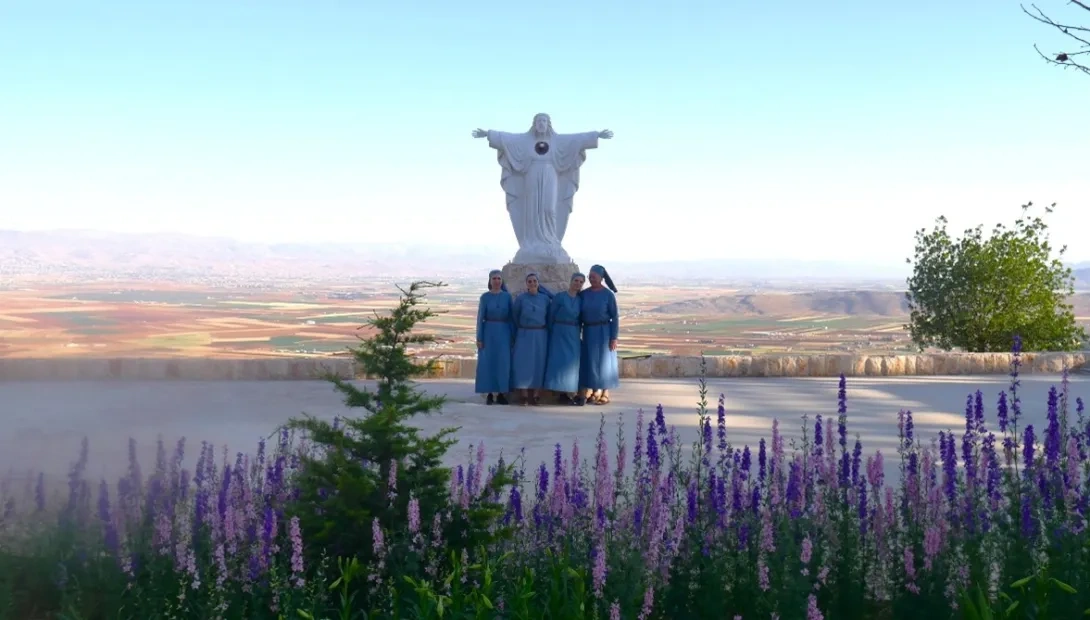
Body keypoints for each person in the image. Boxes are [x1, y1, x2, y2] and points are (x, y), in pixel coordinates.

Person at [579, 264, 619, 405]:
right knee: (591, 362)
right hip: (589, 331)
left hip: (604, 331)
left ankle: (605, 392)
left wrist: (614, 337)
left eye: (594, 277)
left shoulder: (608, 295)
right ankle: (595, 391)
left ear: (601, 278)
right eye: (590, 277)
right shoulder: (584, 294)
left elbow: (614, 317)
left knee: (604, 363)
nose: (592, 279)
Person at [510, 272, 552, 405]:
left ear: (538, 283)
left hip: (540, 335)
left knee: (539, 363)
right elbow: (515, 316)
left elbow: (549, 317)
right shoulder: (521, 299)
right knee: (522, 363)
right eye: (530, 281)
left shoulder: (545, 299)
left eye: (535, 281)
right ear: (526, 284)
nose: (532, 283)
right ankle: (523, 394)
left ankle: (535, 395)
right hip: (524, 334)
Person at [544, 272, 585, 404]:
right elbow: (551, 316)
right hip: (559, 332)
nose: (577, 284)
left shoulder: (580, 300)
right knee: (559, 362)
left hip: (573, 333)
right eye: (576, 281)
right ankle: (560, 392)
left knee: (571, 363)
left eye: (580, 282)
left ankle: (569, 392)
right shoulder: (560, 297)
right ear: (571, 281)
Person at [474, 269, 514, 405]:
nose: (497, 281)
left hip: (504, 332)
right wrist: (479, 338)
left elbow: (511, 318)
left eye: (499, 279)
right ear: (490, 281)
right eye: (494, 279)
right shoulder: (485, 297)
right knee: (488, 363)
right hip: (488, 332)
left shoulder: (507, 297)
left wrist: (512, 336)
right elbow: (480, 318)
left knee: (503, 363)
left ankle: (502, 393)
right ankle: (490, 393)